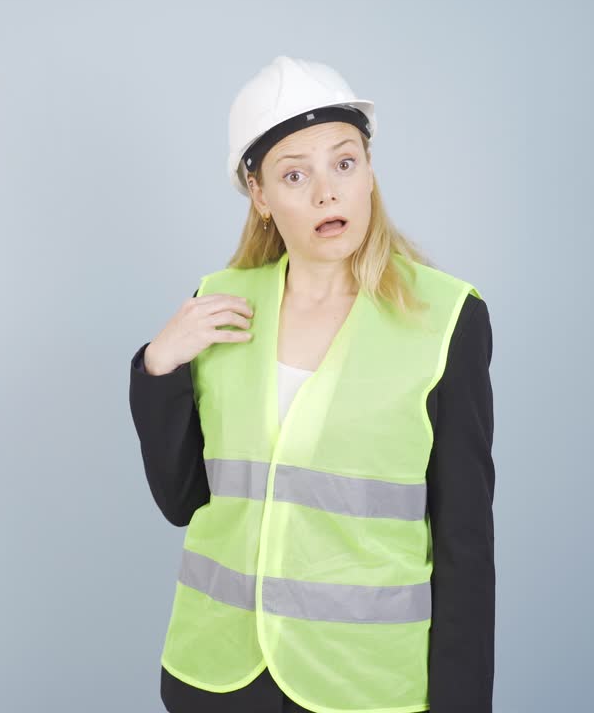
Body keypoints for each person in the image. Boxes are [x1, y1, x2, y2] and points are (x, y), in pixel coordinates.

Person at [127, 56, 495, 713]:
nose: (328, 192)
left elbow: (466, 545)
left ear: (370, 171)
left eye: (344, 163)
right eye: (295, 174)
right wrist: (160, 369)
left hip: (361, 685)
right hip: (213, 675)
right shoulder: (219, 307)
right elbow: (182, 500)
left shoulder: (445, 320)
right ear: (260, 195)